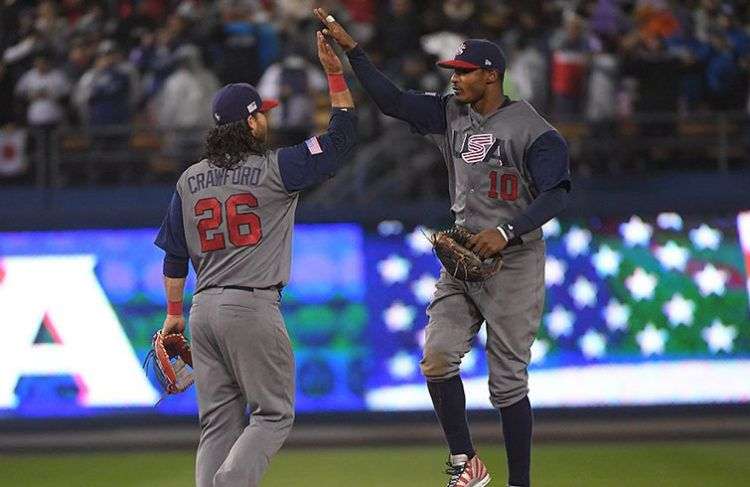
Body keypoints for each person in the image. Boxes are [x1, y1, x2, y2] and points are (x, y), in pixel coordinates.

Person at [316, 8, 570, 487]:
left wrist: (510, 231)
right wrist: (353, 51)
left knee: (507, 381)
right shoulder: (451, 112)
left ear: (491, 76)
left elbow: (557, 191)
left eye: (463, 73)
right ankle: (467, 464)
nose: (454, 80)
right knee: (436, 359)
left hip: (513, 259)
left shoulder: (535, 131)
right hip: (463, 255)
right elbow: (390, 100)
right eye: (453, 73)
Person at [153, 31, 356, 487]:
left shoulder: (189, 179)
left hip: (201, 310)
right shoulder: (277, 167)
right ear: (248, 124)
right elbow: (342, 140)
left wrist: (172, 315)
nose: (265, 121)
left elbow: (173, 253)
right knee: (273, 414)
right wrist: (336, 74)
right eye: (260, 116)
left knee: (218, 423)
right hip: (251, 305)